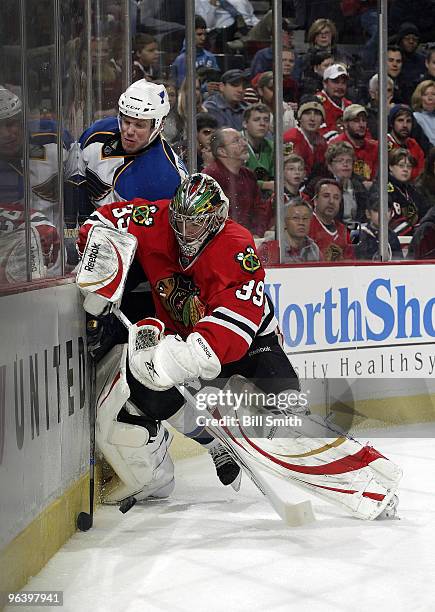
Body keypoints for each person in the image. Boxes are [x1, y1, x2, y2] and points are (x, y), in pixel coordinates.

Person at [70, 79, 186, 220]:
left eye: (139, 125)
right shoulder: (97, 135)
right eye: (126, 121)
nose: (129, 131)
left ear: (158, 126)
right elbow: (74, 186)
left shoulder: (169, 177)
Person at [203, 127, 271, 237]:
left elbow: (259, 210)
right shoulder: (210, 177)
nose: (244, 144)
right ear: (222, 151)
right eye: (236, 141)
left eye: (243, 139)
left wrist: (256, 234)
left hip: (248, 239)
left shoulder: (248, 175)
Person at [329, 104, 378, 186]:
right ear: (345, 123)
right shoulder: (336, 145)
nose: (362, 125)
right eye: (356, 120)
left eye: (364, 120)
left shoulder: (375, 147)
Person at [309, 178, 354, 261]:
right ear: (315, 201)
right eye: (326, 196)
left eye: (336, 198)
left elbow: (350, 261)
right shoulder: (306, 226)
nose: (331, 201)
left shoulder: (345, 231)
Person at [325, 140, 369, 225]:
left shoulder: (358, 186)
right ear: (330, 166)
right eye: (340, 160)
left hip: (356, 231)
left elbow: (364, 216)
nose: (345, 164)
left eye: (349, 161)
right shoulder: (324, 187)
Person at [283, 96, 327, 180]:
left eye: (317, 114)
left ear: (322, 120)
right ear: (299, 117)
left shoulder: (321, 142)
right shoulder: (291, 138)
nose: (312, 118)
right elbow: (288, 174)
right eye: (307, 113)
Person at [385, 148, 427, 237]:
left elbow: (425, 213)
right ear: (390, 167)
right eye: (401, 165)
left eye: (409, 166)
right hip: (388, 239)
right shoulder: (382, 188)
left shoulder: (412, 190)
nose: (405, 170)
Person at [170, 15, 220, 89]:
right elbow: (183, 87)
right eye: (199, 34)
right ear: (189, 34)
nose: (203, 38)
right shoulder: (181, 60)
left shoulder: (210, 57)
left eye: (205, 34)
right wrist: (205, 88)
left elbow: (217, 80)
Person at [354, 197, 403, 261]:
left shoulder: (392, 236)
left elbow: (399, 263)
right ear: (368, 213)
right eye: (377, 210)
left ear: (391, 214)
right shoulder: (356, 232)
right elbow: (349, 261)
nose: (382, 214)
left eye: (387, 210)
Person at [242, 103, 274, 195]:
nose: (262, 124)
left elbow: (275, 177)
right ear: (245, 123)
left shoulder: (272, 146)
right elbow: (235, 179)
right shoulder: (235, 144)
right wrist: (264, 185)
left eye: (266, 120)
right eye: (256, 120)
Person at [387, 104, 425, 181]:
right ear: (391, 123)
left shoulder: (413, 144)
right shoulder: (383, 145)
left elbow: (422, 173)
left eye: (408, 121)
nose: (405, 125)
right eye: (400, 120)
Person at [316, 63, 353, 141]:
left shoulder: (349, 106)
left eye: (343, 82)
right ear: (325, 84)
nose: (340, 86)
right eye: (336, 82)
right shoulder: (316, 104)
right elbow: (320, 135)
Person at [365, 73, 394, 139]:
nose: (386, 94)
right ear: (372, 93)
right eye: (382, 90)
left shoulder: (399, 112)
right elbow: (377, 137)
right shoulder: (365, 114)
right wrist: (385, 114)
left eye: (389, 90)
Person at [412, 80, 435, 147]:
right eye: (425, 94)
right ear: (419, 97)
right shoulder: (416, 117)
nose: (430, 98)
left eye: (433, 94)